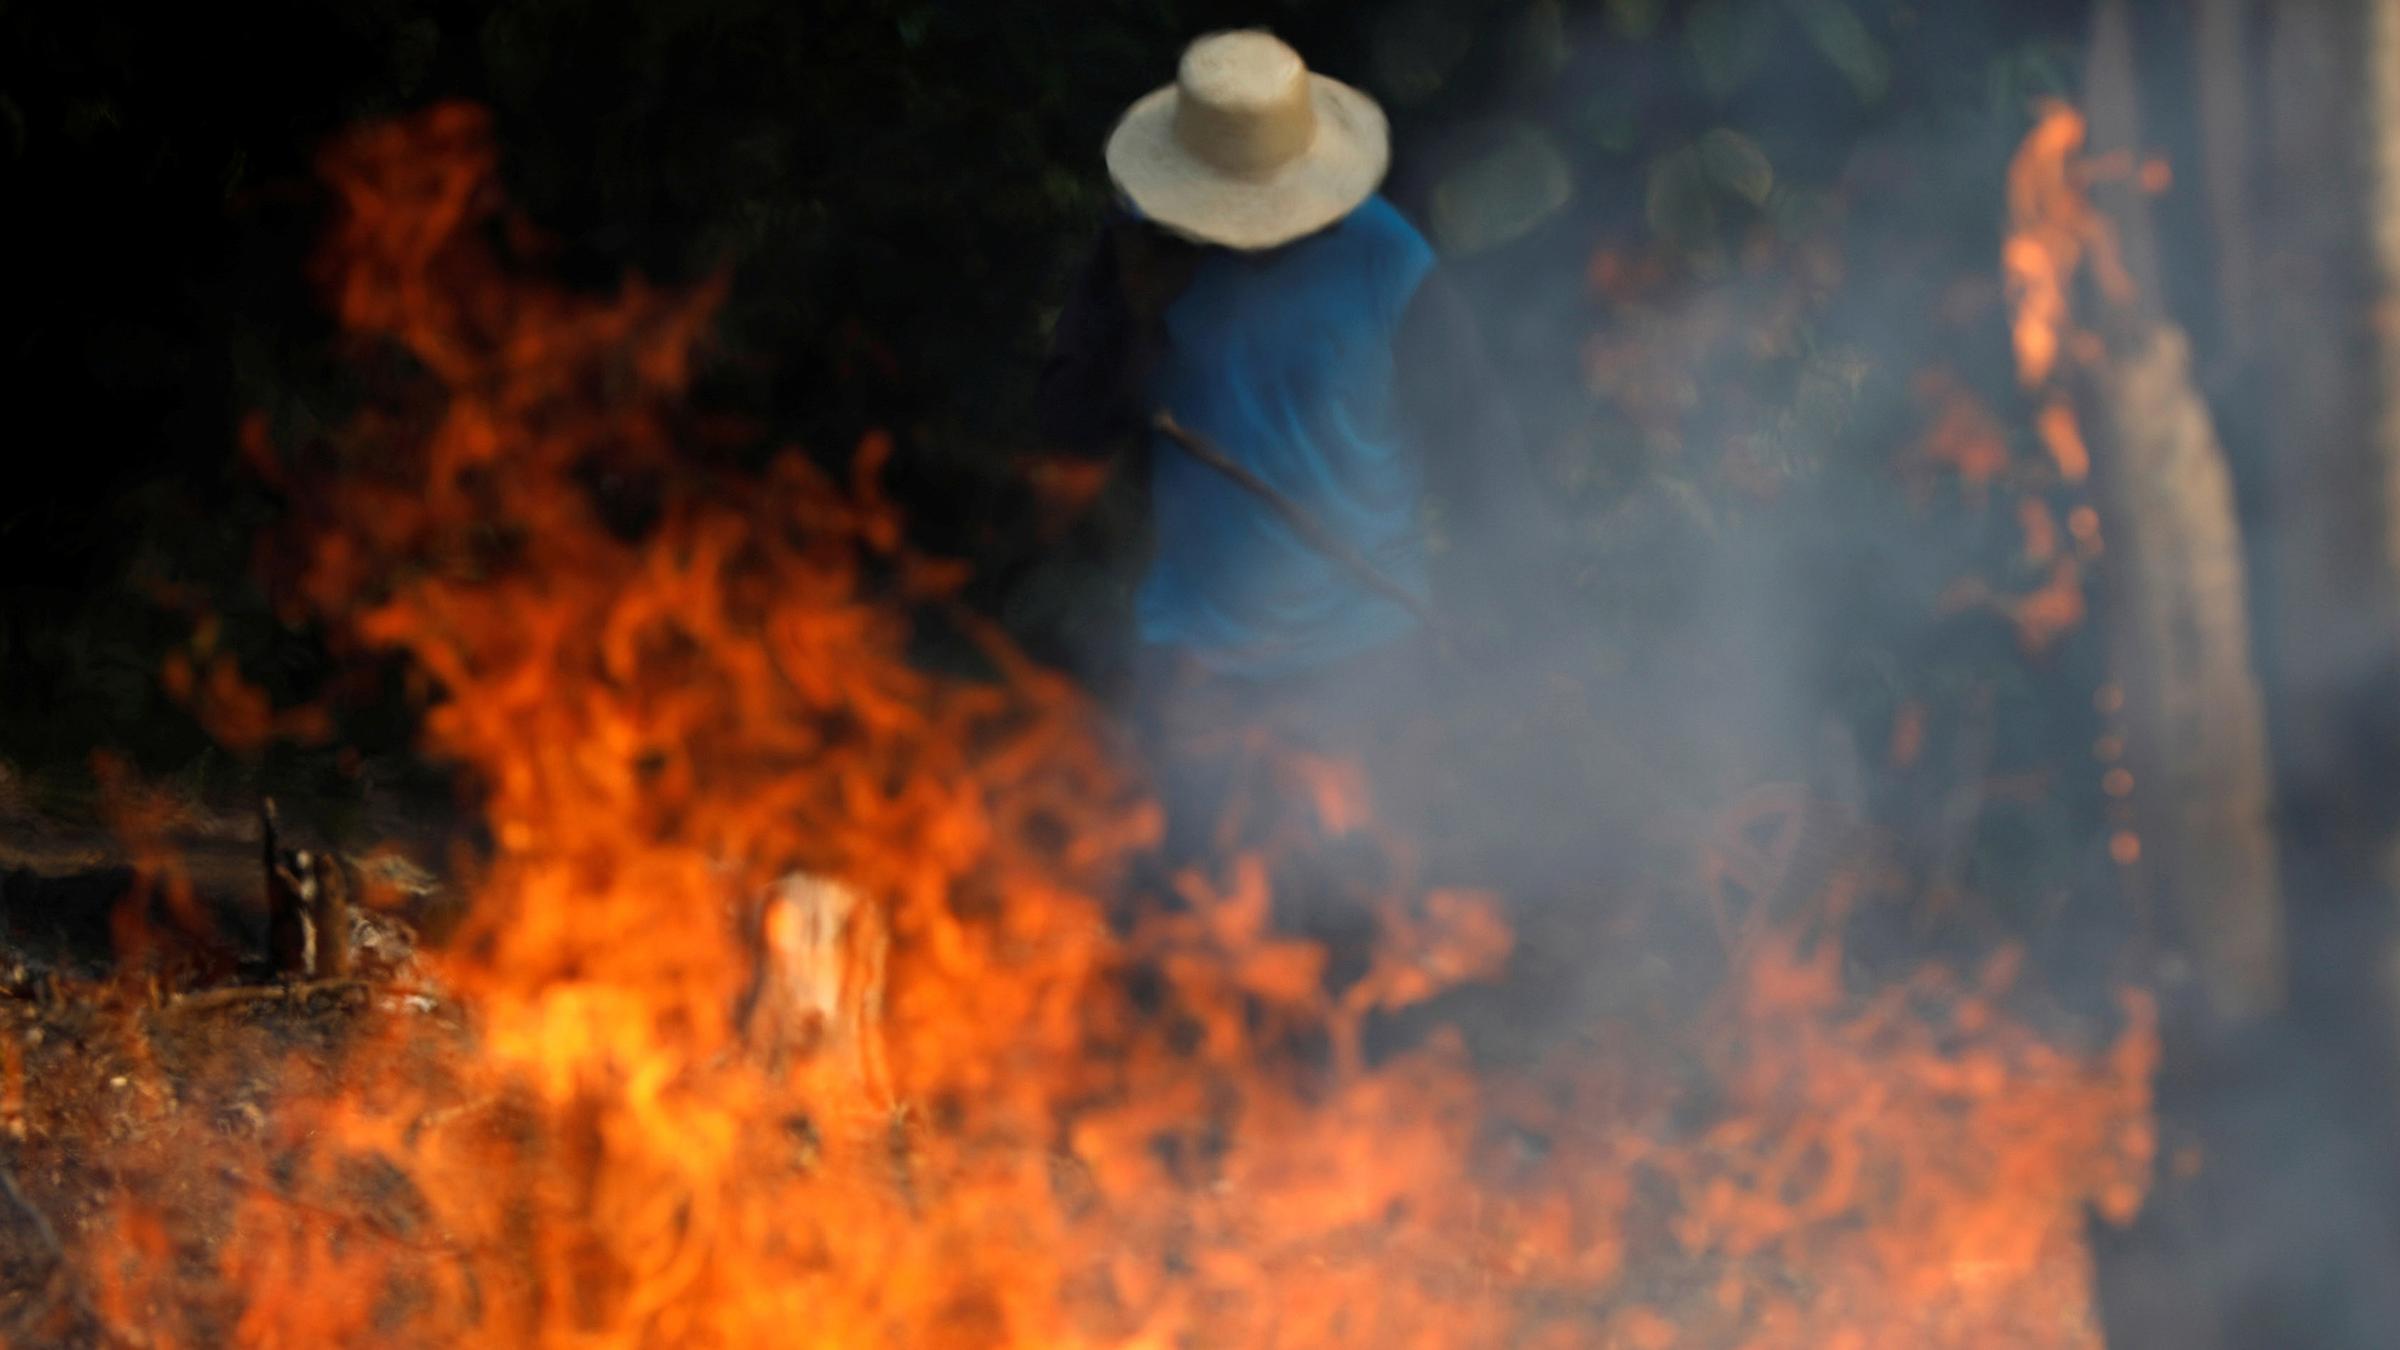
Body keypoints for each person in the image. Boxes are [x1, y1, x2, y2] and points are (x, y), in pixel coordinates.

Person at [1034, 29, 1531, 864]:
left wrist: (1518, 615)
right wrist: (1140, 319)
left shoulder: (1388, 261)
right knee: (1188, 909)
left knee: (1353, 908)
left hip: (1363, 660)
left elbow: (1478, 450)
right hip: (1195, 661)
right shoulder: (1142, 253)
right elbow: (1068, 427)